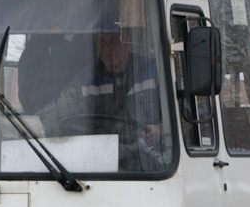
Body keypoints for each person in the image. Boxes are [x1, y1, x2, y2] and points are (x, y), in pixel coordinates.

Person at [39, 30, 165, 170]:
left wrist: (160, 131)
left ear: (127, 41)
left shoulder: (153, 71)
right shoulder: (85, 79)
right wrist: (29, 128)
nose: (108, 48)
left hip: (148, 166)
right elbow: (55, 116)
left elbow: (183, 120)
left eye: (114, 40)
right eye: (103, 42)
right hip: (97, 163)